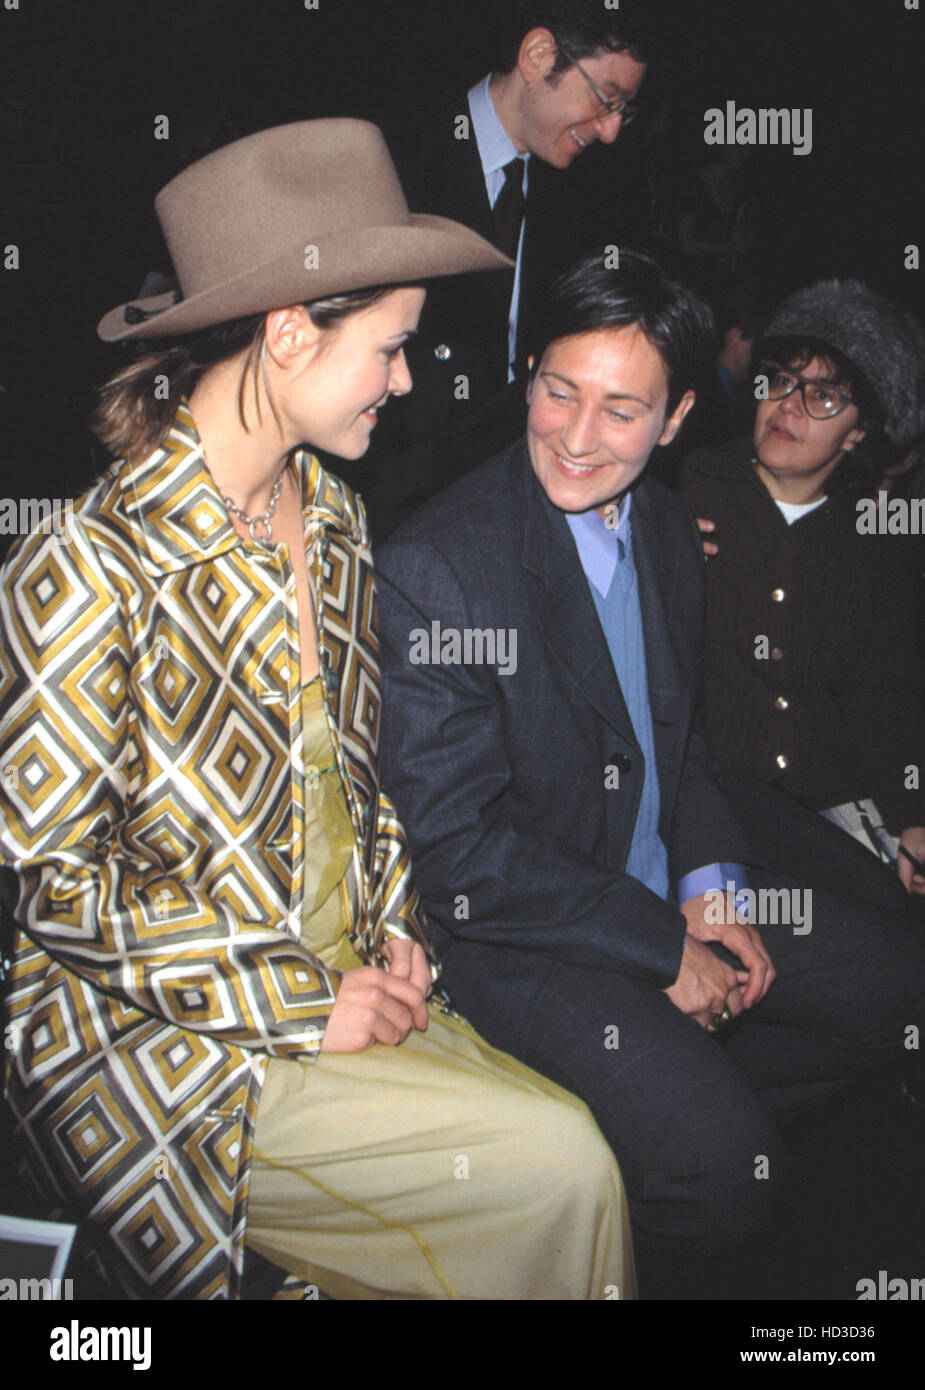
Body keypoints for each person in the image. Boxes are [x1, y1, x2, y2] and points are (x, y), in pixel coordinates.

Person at [0, 121, 635, 1301]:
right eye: (391, 346)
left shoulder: (333, 515)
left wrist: (394, 916)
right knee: (563, 1170)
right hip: (163, 1038)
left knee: (567, 1149)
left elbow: (355, 778)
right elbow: (53, 881)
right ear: (290, 334)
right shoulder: (87, 559)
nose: (405, 378)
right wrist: (297, 996)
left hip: (354, 971)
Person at [374, 249, 925, 1299]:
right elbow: (457, 857)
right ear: (527, 373)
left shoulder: (667, 523)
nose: (577, 439)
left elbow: (678, 745)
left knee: (893, 990)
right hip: (524, 924)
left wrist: (708, 877)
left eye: (621, 411)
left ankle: (660, 1116)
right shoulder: (438, 566)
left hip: (657, 868)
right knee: (721, 1177)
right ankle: (657, 1166)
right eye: (556, 392)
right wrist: (662, 942)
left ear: (674, 419)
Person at [335, 0, 656, 540]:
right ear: (538, 56)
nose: (611, 130)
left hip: (501, 492)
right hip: (381, 503)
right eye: (606, 99)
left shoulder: (584, 197)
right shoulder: (390, 152)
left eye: (626, 109)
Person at [680, 280, 925, 902]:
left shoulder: (871, 542)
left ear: (858, 433)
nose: (788, 405)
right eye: (780, 381)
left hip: (827, 801)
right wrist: (657, 541)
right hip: (713, 799)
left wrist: (910, 814)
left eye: (822, 396)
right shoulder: (687, 489)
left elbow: (883, 695)